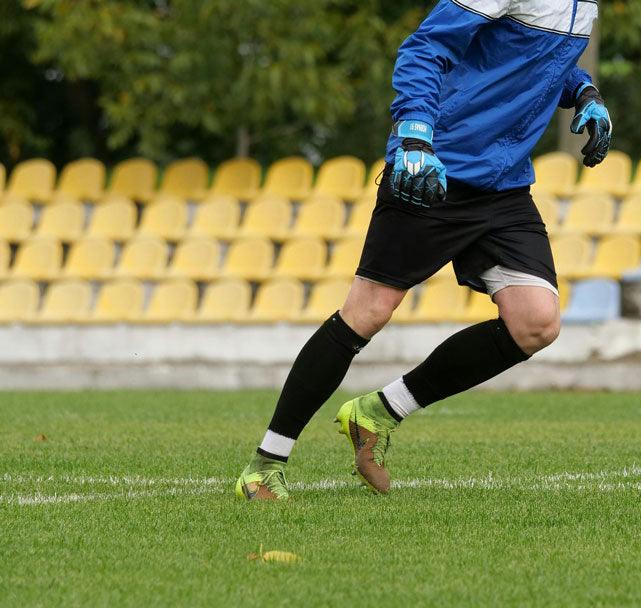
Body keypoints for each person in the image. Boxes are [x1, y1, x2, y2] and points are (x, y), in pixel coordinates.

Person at [235, 0, 612, 500]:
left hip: (504, 186)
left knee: (536, 322)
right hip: (434, 166)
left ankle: (378, 412)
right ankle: (265, 464)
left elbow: (536, 61)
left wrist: (583, 91)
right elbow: (425, 48)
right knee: (366, 313)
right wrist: (415, 133)